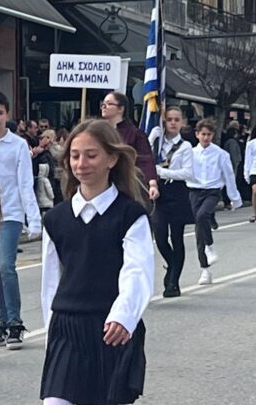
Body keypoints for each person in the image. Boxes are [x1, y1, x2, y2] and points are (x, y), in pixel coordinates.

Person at [39, 118, 153, 405]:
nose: (81, 163)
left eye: (90, 155)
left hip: (112, 329)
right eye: (74, 155)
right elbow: (51, 281)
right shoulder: (56, 219)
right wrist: (49, 330)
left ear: (110, 158)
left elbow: (138, 271)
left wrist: (124, 314)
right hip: (67, 328)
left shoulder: (130, 214)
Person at [0, 91, 41, 349]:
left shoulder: (18, 145)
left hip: (11, 213)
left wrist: (34, 219)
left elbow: (25, 182)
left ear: (7, 115)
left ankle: (15, 322)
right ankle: (1, 322)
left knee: (6, 266)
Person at [186, 119, 241, 285]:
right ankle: (205, 269)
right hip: (194, 191)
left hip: (212, 191)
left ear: (213, 135)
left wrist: (234, 197)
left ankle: (210, 246)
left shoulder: (220, 154)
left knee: (202, 216)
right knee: (199, 231)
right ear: (197, 134)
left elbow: (229, 175)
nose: (205, 137)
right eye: (203, 134)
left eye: (209, 134)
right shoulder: (190, 153)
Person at [149, 106, 195, 298]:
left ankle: (174, 282)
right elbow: (144, 159)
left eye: (177, 119)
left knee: (177, 238)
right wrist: (150, 138)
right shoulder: (157, 143)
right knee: (160, 237)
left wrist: (163, 172)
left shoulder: (185, 146)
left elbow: (188, 173)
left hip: (177, 193)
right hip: (159, 193)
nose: (173, 123)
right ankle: (171, 264)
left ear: (182, 122)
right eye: (169, 119)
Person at [100, 91, 160, 202]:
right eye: (103, 104)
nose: (104, 107)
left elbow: (145, 159)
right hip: (102, 184)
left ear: (120, 108)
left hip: (125, 184)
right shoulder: (99, 133)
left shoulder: (135, 133)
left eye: (109, 104)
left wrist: (152, 184)